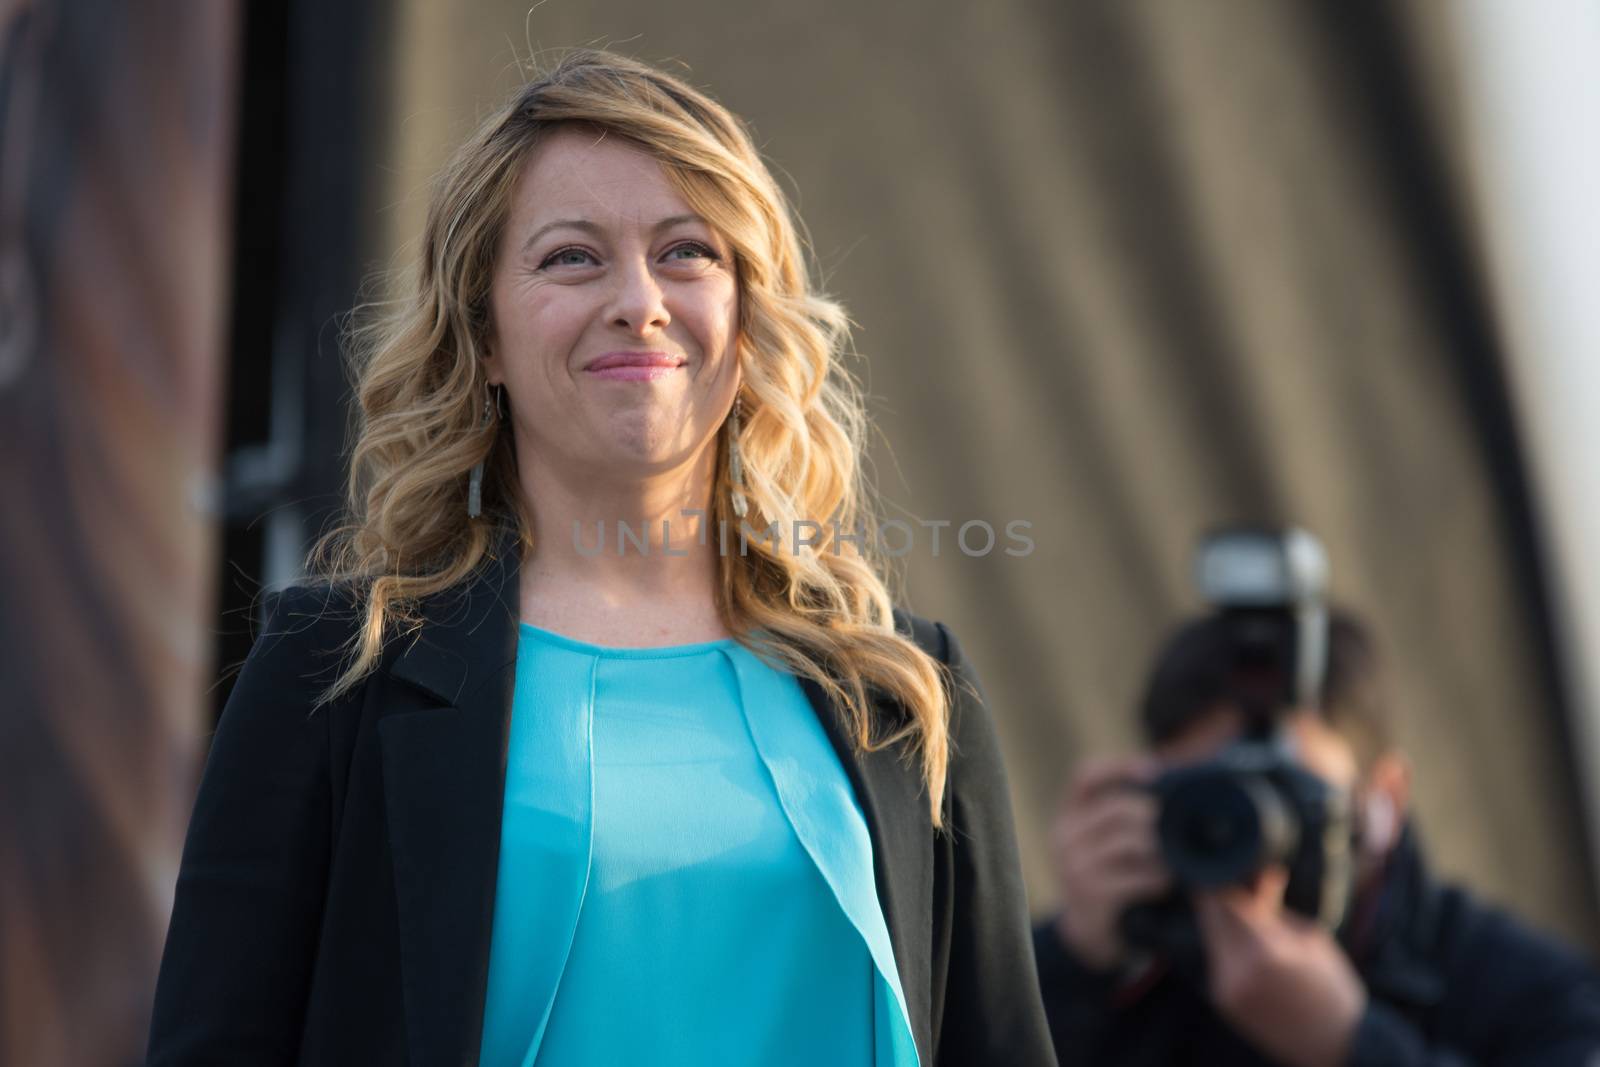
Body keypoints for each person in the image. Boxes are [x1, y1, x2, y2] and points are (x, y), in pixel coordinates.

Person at [146, 49, 1056, 1067]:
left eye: (687, 252)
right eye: (572, 257)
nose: (640, 300)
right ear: (481, 336)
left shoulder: (905, 689)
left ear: (750, 319)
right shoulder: (334, 669)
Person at [1034, 608, 1600, 1066]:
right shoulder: (1124, 962)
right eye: (1214, 794)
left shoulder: (1526, 991)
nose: (1249, 828)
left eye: (1289, 793)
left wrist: (1349, 1044)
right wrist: (1065, 967)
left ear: (1386, 798)